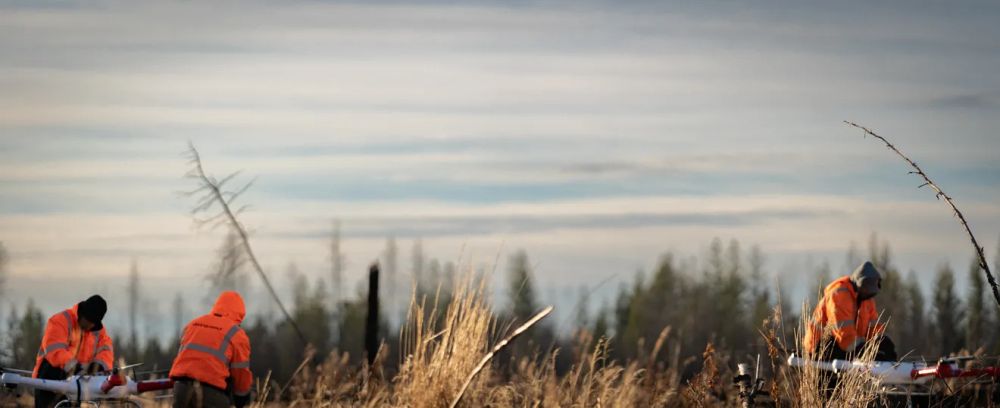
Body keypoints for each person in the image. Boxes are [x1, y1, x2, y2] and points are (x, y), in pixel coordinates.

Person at [169, 291, 252, 408]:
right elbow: (241, 373)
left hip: (181, 389)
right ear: (240, 314)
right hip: (211, 393)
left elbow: (182, 357)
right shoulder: (236, 333)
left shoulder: (193, 324)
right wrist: (241, 399)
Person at [804, 261, 897, 362]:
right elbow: (843, 333)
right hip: (820, 349)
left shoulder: (866, 299)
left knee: (883, 345)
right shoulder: (839, 294)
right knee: (841, 347)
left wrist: (879, 342)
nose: (869, 294)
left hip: (847, 347)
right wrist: (863, 350)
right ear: (861, 284)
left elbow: (873, 327)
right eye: (867, 289)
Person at [32, 295, 114, 408]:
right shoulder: (60, 321)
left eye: (93, 322)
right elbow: (54, 351)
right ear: (82, 314)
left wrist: (98, 366)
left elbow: (106, 351)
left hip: (76, 382)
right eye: (89, 320)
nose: (90, 325)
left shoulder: (99, 332)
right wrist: (74, 367)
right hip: (50, 378)